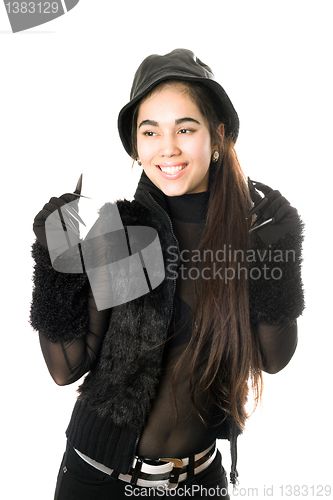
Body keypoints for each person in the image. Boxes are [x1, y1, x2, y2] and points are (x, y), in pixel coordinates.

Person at [30, 49, 304, 499]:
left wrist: (280, 258)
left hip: (200, 482)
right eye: (150, 131)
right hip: (99, 481)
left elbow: (272, 358)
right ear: (137, 148)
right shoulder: (122, 231)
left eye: (185, 128)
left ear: (217, 136)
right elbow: (67, 368)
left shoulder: (249, 232)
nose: (168, 146)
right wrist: (54, 262)